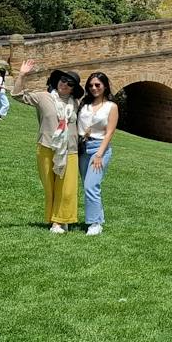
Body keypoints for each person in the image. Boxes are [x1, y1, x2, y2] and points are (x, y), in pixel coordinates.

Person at [13, 59, 80, 232]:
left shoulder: (76, 103)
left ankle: (61, 219)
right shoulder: (44, 97)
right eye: (63, 80)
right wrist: (22, 75)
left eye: (70, 83)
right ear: (57, 81)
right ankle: (54, 220)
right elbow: (17, 95)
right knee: (50, 186)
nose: (65, 84)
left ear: (74, 88)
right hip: (46, 146)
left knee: (66, 188)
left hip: (70, 149)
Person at [78, 72, 118, 236]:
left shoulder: (111, 107)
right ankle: (98, 219)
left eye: (97, 85)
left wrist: (100, 154)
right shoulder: (84, 104)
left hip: (98, 148)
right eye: (91, 85)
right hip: (82, 148)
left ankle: (94, 223)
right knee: (88, 185)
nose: (94, 88)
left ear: (105, 86)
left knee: (91, 186)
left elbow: (109, 133)